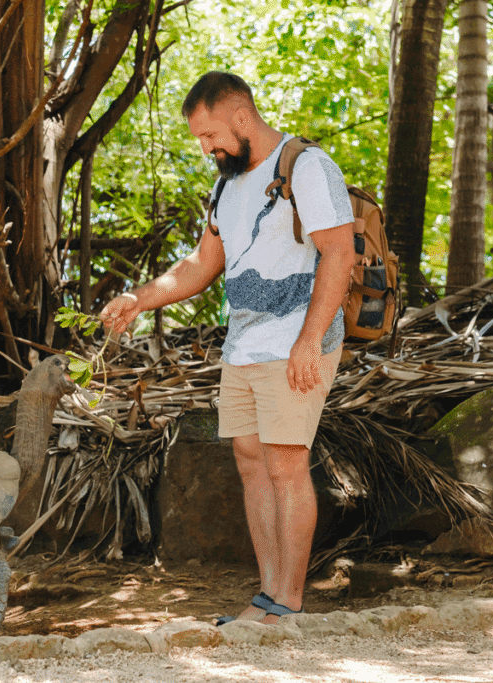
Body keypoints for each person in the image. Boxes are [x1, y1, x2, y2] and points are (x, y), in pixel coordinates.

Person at [99, 72, 355, 625]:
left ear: (241, 117)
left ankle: (288, 604)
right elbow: (201, 264)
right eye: (199, 139)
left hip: (295, 342)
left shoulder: (307, 166)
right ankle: (267, 597)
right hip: (243, 345)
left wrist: (310, 341)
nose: (206, 147)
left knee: (287, 464)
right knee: (250, 463)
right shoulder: (228, 184)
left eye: (210, 134)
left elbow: (339, 255)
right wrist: (138, 298)